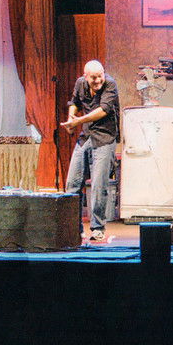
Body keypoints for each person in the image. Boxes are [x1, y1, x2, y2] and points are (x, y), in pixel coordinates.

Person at [61, 60, 120, 242]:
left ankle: (98, 228)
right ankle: (74, 228)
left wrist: (78, 121)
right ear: (86, 76)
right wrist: (71, 117)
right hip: (86, 137)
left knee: (98, 185)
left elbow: (103, 110)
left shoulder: (110, 84)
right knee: (72, 183)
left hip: (104, 138)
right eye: (93, 78)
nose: (98, 80)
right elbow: (75, 102)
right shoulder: (80, 83)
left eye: (100, 76)